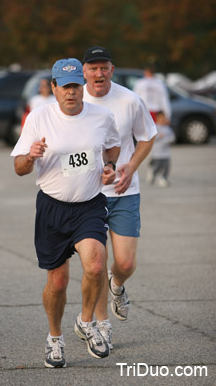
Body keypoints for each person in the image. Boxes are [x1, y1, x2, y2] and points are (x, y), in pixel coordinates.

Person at [11, 58, 121, 368]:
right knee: (58, 283)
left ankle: (86, 322)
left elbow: (112, 146)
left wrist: (110, 166)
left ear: (82, 88)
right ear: (54, 88)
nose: (71, 93)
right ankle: (55, 339)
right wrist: (31, 156)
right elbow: (19, 168)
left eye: (76, 86)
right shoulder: (38, 118)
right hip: (52, 207)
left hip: (89, 204)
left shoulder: (102, 116)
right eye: (65, 86)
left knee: (97, 265)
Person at [82, 46, 157, 350]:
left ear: (112, 69)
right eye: (92, 68)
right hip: (88, 196)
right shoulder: (73, 101)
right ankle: (102, 325)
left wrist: (130, 167)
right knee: (97, 264)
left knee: (124, 263)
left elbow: (148, 135)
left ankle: (118, 285)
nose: (98, 74)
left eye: (104, 67)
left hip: (125, 191)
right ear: (84, 71)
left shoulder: (129, 100)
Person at [146, 111, 175, 187]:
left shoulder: (167, 128)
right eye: (161, 117)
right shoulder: (155, 128)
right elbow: (151, 138)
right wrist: (158, 136)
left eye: (163, 117)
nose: (162, 119)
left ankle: (163, 178)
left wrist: (169, 140)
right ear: (157, 118)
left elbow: (172, 137)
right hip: (157, 153)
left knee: (166, 166)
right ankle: (153, 173)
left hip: (166, 153)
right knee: (157, 167)